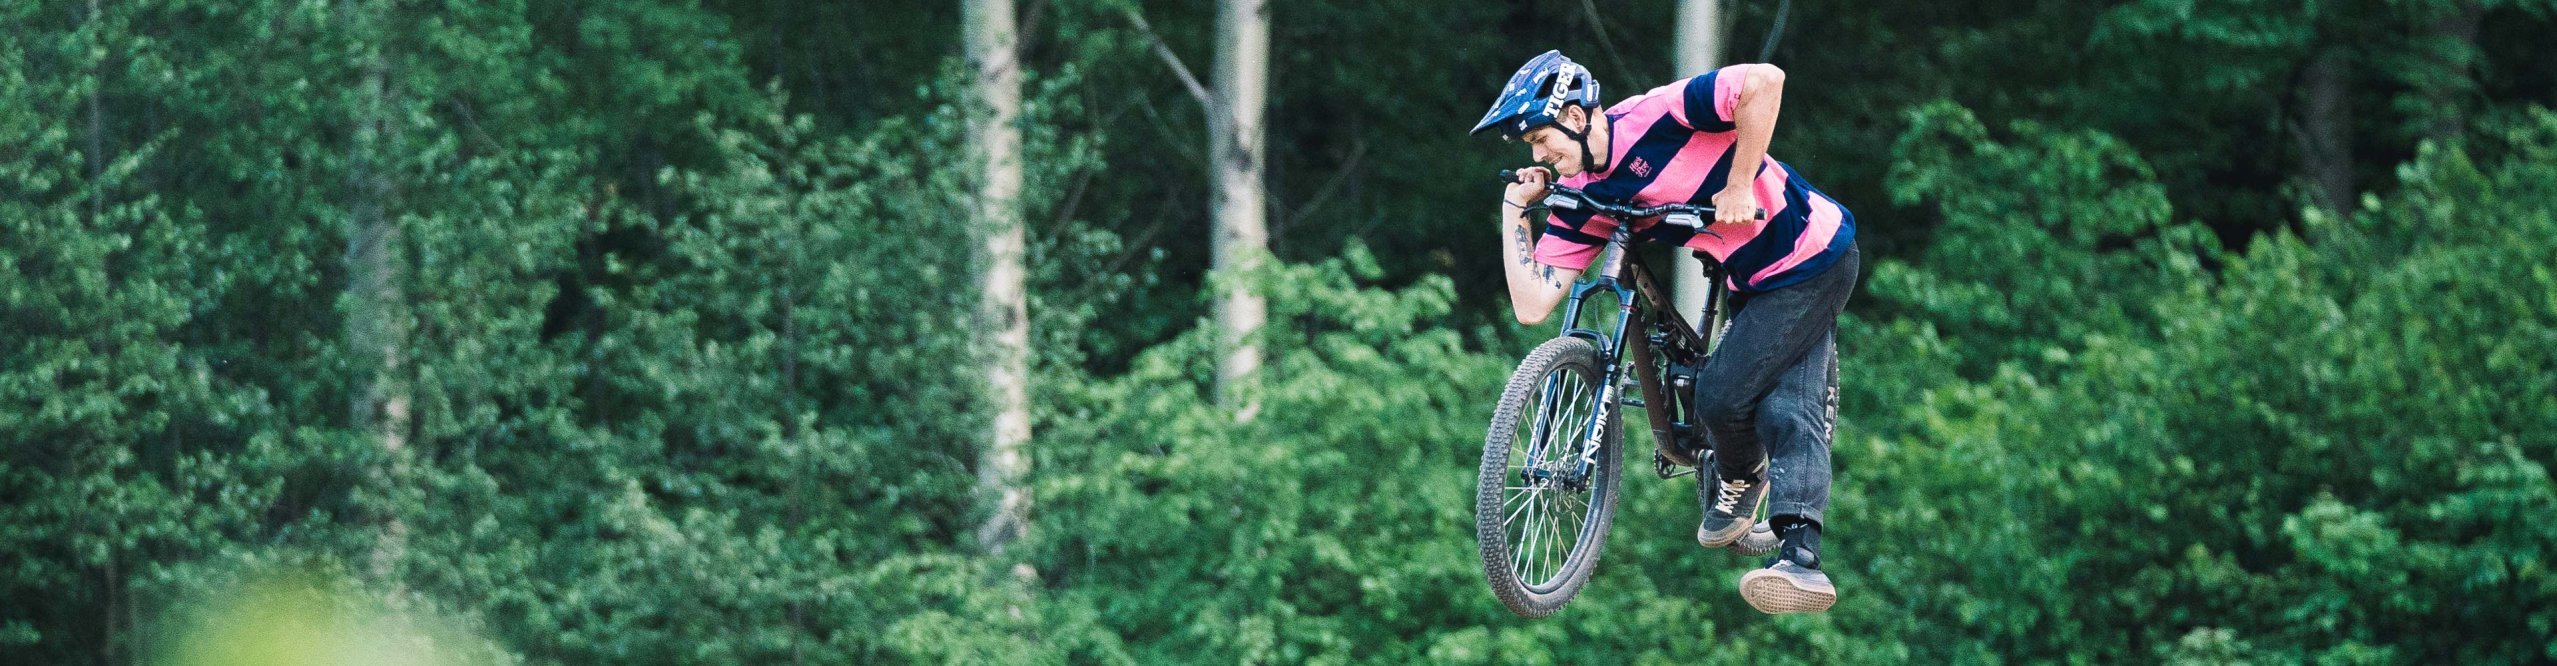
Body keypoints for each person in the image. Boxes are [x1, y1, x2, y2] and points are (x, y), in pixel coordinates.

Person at [1472, 50, 1859, 615]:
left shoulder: (1658, 115)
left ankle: (1798, 558)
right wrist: (1514, 209)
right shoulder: (1589, 197)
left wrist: (1739, 181)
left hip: (1812, 257)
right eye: (1530, 147)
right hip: (1747, 276)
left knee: (1748, 399)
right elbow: (1533, 305)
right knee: (1724, 394)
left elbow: (1766, 81)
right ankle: (1737, 467)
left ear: (1576, 118)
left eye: (1539, 138)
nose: (1540, 156)